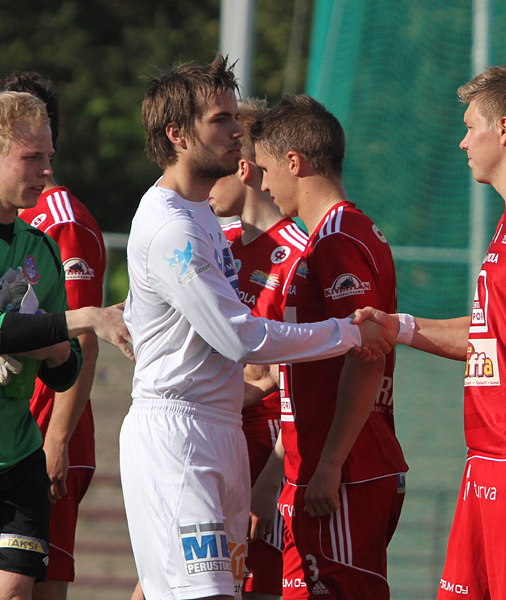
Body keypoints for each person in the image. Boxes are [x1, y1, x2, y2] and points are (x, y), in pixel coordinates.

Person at [120, 57, 394, 600]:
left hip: (220, 429)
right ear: (177, 134)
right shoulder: (173, 226)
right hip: (180, 437)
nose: (238, 131)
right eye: (220, 120)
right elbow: (240, 337)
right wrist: (348, 332)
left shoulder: (199, 213)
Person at [357, 64, 506, 600]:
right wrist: (398, 327)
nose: (463, 140)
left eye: (471, 125)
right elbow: (492, 335)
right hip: (486, 455)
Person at [0, 90, 130, 600]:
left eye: (48, 158)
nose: (44, 171)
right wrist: (81, 319)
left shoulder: (41, 248)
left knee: (15, 594)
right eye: (31, 158)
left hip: (15, 459)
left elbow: (64, 370)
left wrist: (57, 348)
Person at [250, 95, 408, 600]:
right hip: (318, 469)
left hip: (345, 474)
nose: (266, 184)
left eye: (267, 169)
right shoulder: (326, 238)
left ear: (294, 163)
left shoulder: (338, 238)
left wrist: (331, 463)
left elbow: (368, 349)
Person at [0, 71, 106, 600]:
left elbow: (83, 334)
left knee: (38, 589)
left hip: (45, 432)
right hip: (2, 431)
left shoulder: (60, 221)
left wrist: (55, 441)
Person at [209, 98, 302, 600]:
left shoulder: (297, 254)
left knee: (255, 588)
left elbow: (287, 382)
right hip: (213, 437)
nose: (204, 183)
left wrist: (271, 477)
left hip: (264, 449)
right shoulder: (215, 243)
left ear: (243, 167)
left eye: (215, 168)